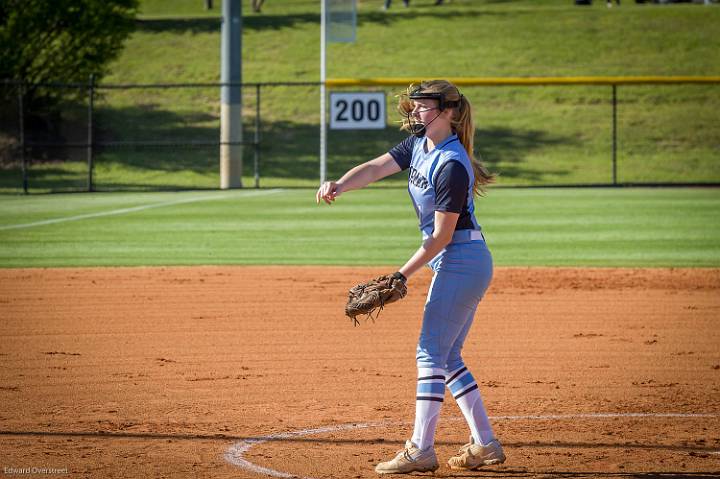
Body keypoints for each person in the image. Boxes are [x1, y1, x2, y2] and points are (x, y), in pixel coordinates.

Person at [316, 80, 505, 474]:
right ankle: (485, 443)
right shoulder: (419, 144)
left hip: (461, 260)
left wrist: (400, 275)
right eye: (415, 106)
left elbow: (441, 236)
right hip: (458, 261)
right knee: (447, 356)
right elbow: (376, 167)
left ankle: (420, 449)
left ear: (448, 112)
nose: (415, 112)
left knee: (429, 354)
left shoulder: (452, 164)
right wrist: (341, 185)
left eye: (423, 106)